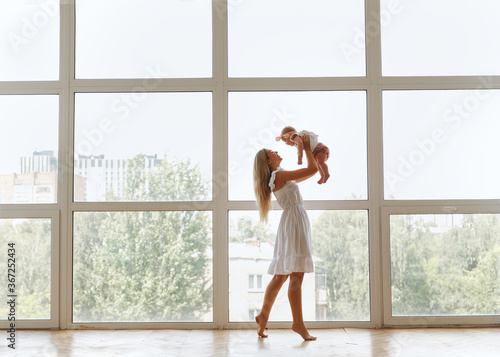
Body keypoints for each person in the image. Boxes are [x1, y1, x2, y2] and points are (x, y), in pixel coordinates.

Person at [252, 135, 318, 341]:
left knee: (281, 275)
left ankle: (263, 316)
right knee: (295, 275)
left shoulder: (281, 175)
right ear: (268, 162)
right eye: (273, 152)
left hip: (294, 221)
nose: (277, 152)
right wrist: (306, 147)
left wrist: (300, 145)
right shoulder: (278, 177)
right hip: (294, 221)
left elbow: (308, 172)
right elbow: (313, 170)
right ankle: (298, 323)